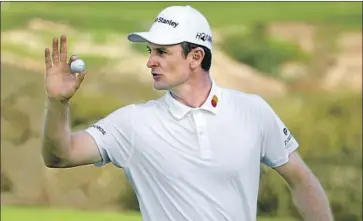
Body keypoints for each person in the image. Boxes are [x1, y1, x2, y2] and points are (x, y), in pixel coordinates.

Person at [42, 5, 333, 221]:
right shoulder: (132, 123)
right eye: (149, 51)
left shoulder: (253, 110)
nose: (150, 62)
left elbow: (302, 180)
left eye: (162, 52)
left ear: (196, 57)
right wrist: (58, 103)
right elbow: (60, 155)